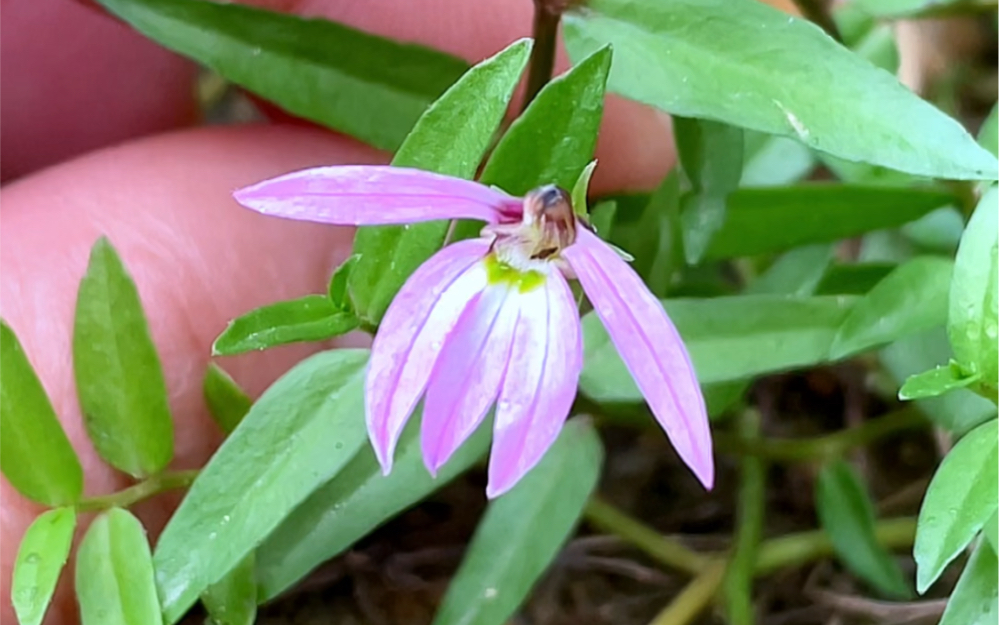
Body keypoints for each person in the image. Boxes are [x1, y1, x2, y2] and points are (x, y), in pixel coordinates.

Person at [0, 0, 790, 620]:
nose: (540, 229)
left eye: (552, 225)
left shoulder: (584, 267)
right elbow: (360, 195)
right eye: (537, 221)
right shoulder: (494, 222)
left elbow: (653, 353)